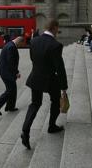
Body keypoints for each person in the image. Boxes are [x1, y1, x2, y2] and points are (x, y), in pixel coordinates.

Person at [21, 20, 68, 150]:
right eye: (57, 29)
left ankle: (25, 131)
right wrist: (64, 86)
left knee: (35, 104)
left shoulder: (34, 41)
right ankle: (51, 126)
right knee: (55, 101)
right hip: (51, 78)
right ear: (54, 28)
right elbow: (60, 68)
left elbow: (32, 58)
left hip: (35, 77)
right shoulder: (56, 45)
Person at [0, 36, 23, 115]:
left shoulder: (9, 44)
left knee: (12, 89)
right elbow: (11, 62)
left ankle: (10, 107)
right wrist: (16, 72)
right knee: (10, 90)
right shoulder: (12, 47)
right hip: (6, 72)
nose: (20, 47)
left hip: (5, 71)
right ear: (19, 42)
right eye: (21, 45)